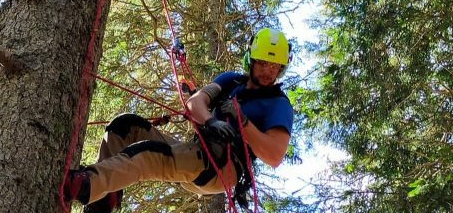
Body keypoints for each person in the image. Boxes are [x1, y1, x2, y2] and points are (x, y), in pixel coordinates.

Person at [62, 28, 295, 212]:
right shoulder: (231, 81)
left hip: (222, 166)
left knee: (148, 155)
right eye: (263, 63)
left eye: (274, 66)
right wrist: (211, 121)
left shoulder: (278, 104)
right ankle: (103, 201)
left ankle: (85, 184)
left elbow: (274, 155)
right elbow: (196, 102)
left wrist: (243, 124)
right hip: (196, 150)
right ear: (251, 61)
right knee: (124, 127)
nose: (268, 71)